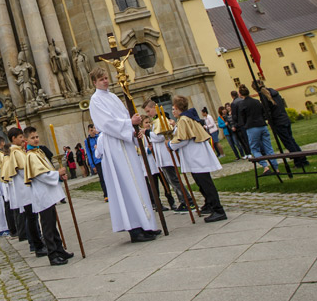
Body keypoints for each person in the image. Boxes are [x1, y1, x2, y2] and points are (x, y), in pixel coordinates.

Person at [88, 67, 160, 243]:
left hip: (125, 144)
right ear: (94, 82)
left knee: (137, 182)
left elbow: (123, 118)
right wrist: (129, 123)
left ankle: (147, 224)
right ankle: (134, 229)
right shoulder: (95, 100)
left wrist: (134, 130)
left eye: (106, 78)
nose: (105, 81)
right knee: (126, 185)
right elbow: (107, 123)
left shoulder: (113, 97)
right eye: (101, 79)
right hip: (114, 146)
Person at [168, 95, 228, 223]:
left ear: (178, 108)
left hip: (196, 155)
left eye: (174, 109)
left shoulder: (184, 119)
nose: (172, 111)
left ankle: (218, 209)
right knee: (201, 183)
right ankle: (210, 204)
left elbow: (183, 139)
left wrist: (170, 145)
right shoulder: (186, 118)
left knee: (206, 183)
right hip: (194, 154)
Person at [23, 127, 73, 266]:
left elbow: (47, 169)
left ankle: (59, 249)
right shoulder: (31, 155)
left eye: (37, 136)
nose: (36, 139)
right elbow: (40, 175)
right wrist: (57, 173)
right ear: (26, 140)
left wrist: (58, 176)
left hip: (47, 193)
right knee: (47, 226)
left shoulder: (38, 151)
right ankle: (52, 254)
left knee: (53, 223)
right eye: (32, 138)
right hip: (42, 194)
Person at [1, 125, 47, 256]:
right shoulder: (16, 152)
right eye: (21, 137)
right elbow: (24, 170)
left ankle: (36, 242)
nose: (23, 139)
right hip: (25, 189)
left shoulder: (17, 151)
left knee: (31, 217)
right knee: (31, 218)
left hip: (25, 189)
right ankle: (37, 245)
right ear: (13, 138)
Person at [254, 81, 307, 166]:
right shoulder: (273, 92)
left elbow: (268, 111)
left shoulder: (264, 96)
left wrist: (268, 120)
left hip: (278, 121)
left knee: (288, 142)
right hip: (284, 118)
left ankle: (298, 161)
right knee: (291, 140)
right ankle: (302, 159)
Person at [233, 85, 276, 170]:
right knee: (268, 147)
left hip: (252, 127)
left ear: (241, 94)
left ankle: (265, 166)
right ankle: (275, 166)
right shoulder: (256, 101)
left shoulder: (242, 104)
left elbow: (242, 117)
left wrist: (244, 124)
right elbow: (263, 112)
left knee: (254, 149)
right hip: (262, 125)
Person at [84, 124, 107, 200]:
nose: (93, 131)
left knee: (107, 176)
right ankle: (105, 194)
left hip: (104, 158)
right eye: (91, 130)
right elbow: (89, 153)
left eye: (93, 129)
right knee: (102, 178)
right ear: (88, 131)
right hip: (96, 161)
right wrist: (92, 165)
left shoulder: (99, 136)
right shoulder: (87, 141)